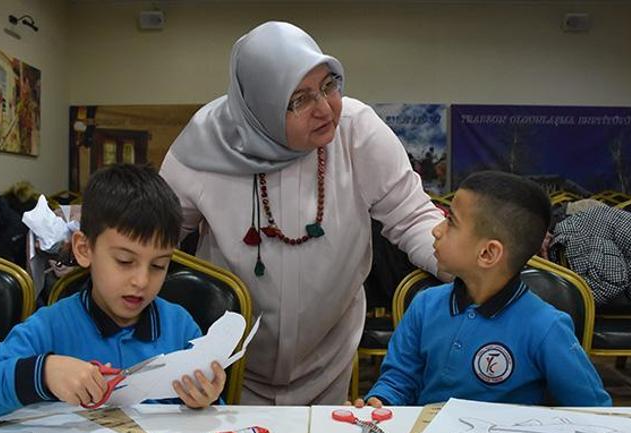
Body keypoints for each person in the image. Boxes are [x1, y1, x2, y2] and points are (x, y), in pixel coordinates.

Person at [159, 21, 445, 405]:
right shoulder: (203, 144)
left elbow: (412, 219)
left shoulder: (356, 130)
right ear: (261, 106)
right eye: (300, 99)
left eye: (329, 85)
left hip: (329, 360)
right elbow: (157, 238)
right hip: (223, 371)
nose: (325, 108)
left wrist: (473, 264)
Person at [0, 164, 225, 423]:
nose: (141, 280)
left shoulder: (180, 327)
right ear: (84, 249)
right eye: (125, 261)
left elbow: (212, 417)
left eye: (159, 265)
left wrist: (205, 399)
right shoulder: (51, 327)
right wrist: (42, 373)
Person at [353, 171, 611, 407]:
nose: (436, 230)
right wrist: (381, 401)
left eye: (450, 222)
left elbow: (593, 411)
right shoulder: (424, 306)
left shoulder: (546, 327)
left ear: (488, 253)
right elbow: (398, 381)